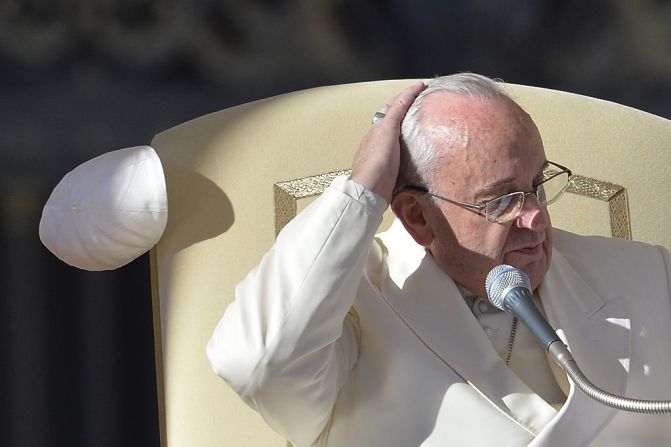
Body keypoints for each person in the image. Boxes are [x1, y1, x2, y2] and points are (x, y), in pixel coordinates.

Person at [206, 73, 671, 446]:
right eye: (500, 201)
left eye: (537, 185)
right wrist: (363, 190)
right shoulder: (351, 308)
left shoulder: (650, 275)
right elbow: (258, 363)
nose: (534, 218)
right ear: (417, 217)